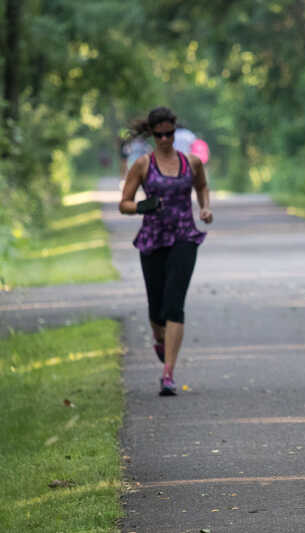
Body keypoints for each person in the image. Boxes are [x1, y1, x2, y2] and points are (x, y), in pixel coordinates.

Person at [119, 107, 213, 396]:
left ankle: (168, 373)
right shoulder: (143, 165)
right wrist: (140, 207)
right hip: (153, 239)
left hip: (184, 237)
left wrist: (205, 207)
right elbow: (124, 202)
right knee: (156, 309)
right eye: (158, 134)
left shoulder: (192, 162)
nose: (164, 139)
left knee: (174, 304)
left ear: (175, 131)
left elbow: (202, 186)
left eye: (168, 133)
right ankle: (160, 339)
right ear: (152, 134)